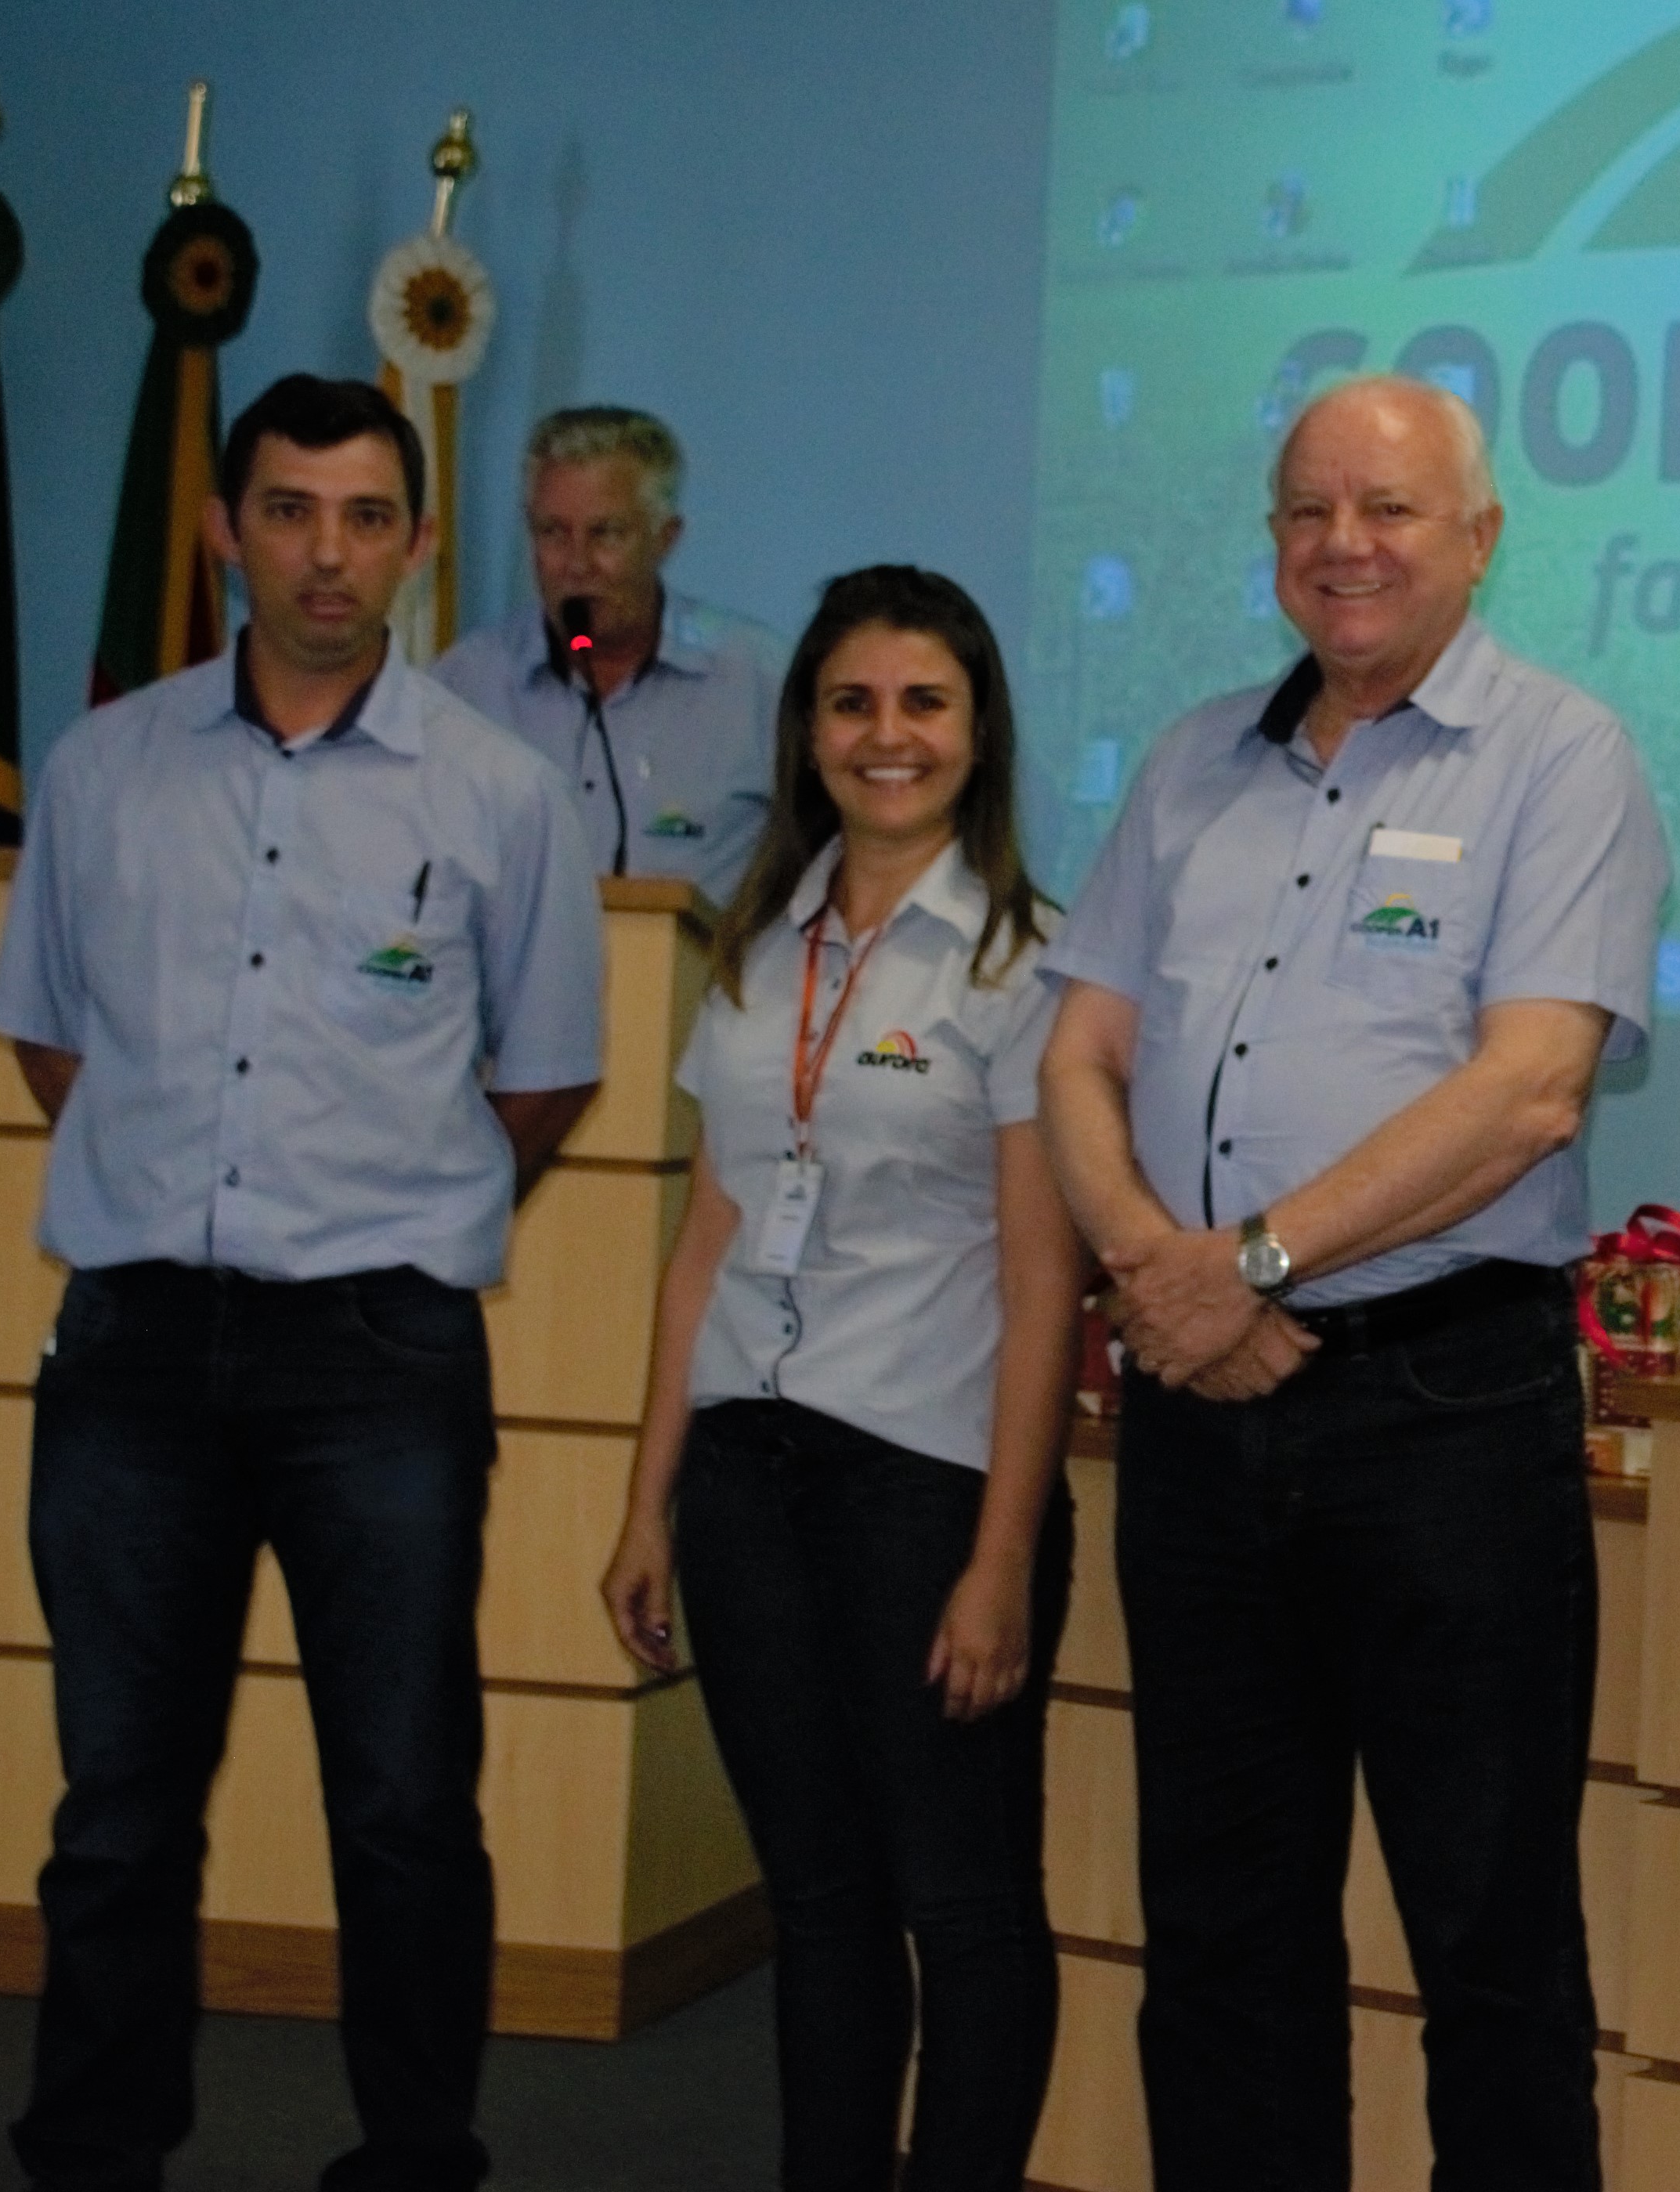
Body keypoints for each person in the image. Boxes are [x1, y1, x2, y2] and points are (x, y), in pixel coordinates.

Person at [1036, 371, 1664, 2192]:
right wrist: (1162, 1275)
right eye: (1309, 510)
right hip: (1194, 1412)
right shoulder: (1186, 764)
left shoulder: (1563, 756)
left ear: (1477, 537)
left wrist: (1240, 1263)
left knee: (1487, 1942)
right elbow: (1078, 1055)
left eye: (1388, 509)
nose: (1344, 545)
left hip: (1441, 1414)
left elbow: (1530, 1088)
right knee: (1219, 1935)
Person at [0, 371, 605, 2192]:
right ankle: (95, 2145)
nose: (323, 553)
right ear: (226, 528)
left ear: (417, 544)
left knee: (406, 1800)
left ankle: (416, 2151)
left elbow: (546, 1073)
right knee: (117, 1805)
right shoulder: (105, 766)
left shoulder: (499, 792)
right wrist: (178, 1179)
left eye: (360, 516)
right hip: (132, 1348)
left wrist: (376, 1192)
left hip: (379, 1356)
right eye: (285, 509)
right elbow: (48, 1035)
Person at [597, 564, 1082, 2192]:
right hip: (747, 1468)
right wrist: (647, 1499)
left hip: (926, 1482)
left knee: (962, 1901)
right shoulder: (751, 950)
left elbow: (1042, 1278)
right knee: (814, 1901)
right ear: (806, 731)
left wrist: (1002, 1558)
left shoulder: (1026, 961)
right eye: (852, 701)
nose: (888, 735)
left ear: (978, 729)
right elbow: (705, 1233)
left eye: (924, 701)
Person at [434, 403, 781, 902]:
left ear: (665, 539)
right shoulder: (463, 687)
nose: (577, 564)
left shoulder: (760, 683)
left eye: (606, 534)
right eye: (553, 532)